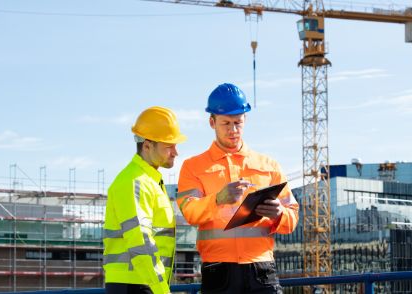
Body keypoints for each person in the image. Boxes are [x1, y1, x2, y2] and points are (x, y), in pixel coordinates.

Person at [177, 83, 299, 293]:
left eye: (238, 123)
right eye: (226, 123)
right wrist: (217, 199)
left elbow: (293, 218)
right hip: (219, 270)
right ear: (211, 122)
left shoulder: (269, 166)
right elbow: (190, 212)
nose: (233, 130)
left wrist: (279, 214)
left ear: (245, 120)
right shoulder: (193, 167)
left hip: (261, 268)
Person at [103, 106, 186, 294]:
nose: (175, 152)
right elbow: (140, 241)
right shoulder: (135, 182)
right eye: (169, 146)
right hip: (136, 284)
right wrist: (161, 289)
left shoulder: (148, 180)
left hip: (141, 282)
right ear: (147, 146)